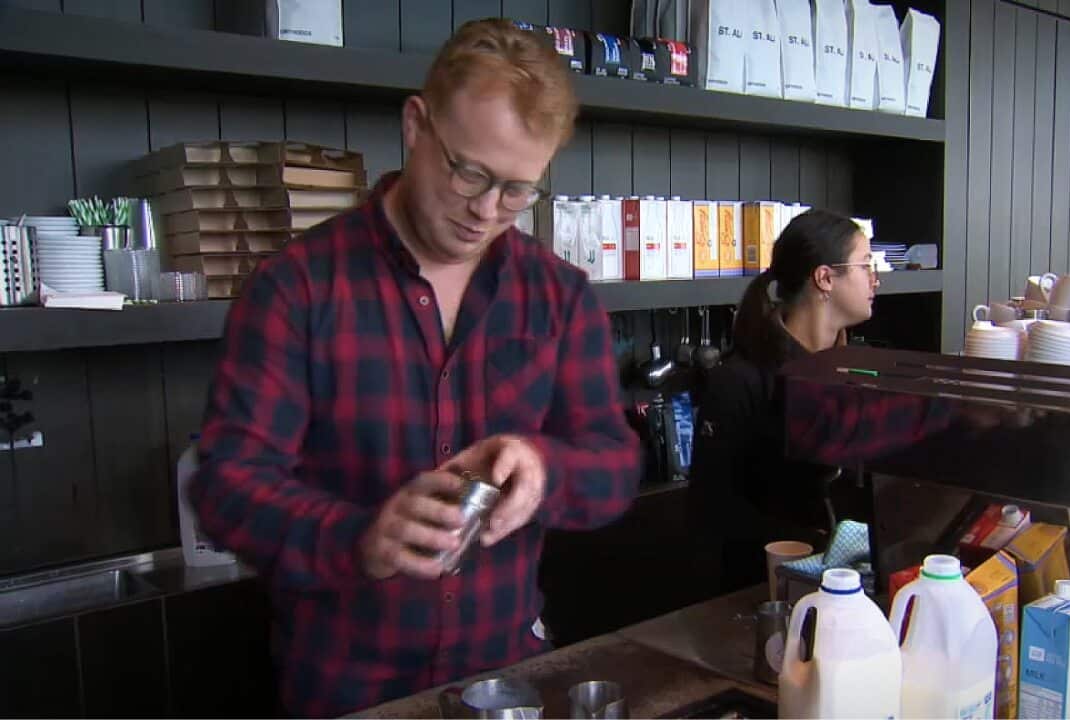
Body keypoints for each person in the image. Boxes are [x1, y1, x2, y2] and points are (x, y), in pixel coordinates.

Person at [188, 19, 643, 717]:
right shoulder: (296, 288)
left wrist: (542, 467)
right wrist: (357, 537)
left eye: (518, 190)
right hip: (345, 686)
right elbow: (227, 486)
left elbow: (614, 466)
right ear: (415, 125)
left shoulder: (559, 295)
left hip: (506, 679)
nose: (487, 211)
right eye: (469, 172)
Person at [689, 209, 948, 593]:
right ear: (825, 278)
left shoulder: (859, 370)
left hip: (854, 583)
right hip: (763, 587)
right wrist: (816, 543)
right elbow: (711, 508)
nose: (876, 280)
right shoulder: (740, 379)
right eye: (865, 266)